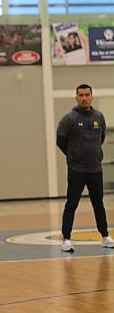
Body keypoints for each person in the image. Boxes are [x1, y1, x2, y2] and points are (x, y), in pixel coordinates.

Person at [56, 83, 114, 253]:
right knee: (71, 204)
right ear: (76, 97)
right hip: (77, 170)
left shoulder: (99, 117)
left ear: (91, 96)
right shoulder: (69, 119)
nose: (84, 98)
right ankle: (66, 239)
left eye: (87, 95)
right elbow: (60, 141)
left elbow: (101, 137)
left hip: (95, 169)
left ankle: (105, 236)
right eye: (80, 95)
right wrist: (73, 155)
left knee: (98, 204)